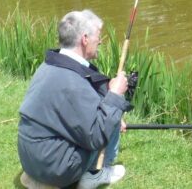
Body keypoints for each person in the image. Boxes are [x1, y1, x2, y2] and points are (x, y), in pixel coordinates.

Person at [18, 10, 132, 189]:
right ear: (85, 39)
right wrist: (115, 96)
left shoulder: (50, 65)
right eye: (98, 37)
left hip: (30, 160)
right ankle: (96, 174)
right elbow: (96, 136)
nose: (100, 42)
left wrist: (112, 110)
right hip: (56, 170)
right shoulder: (73, 81)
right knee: (112, 107)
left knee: (110, 110)